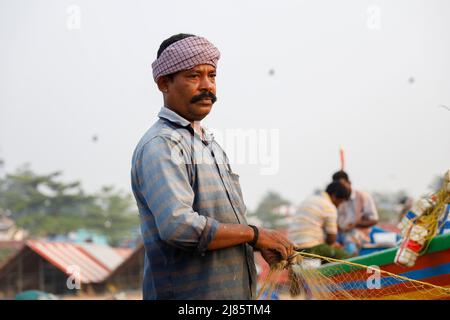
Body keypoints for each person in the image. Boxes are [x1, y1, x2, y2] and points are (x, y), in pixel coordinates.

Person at [130, 34, 294, 300]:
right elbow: (178, 227)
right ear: (164, 83)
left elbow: (222, 225)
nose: (207, 86)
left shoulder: (208, 144)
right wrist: (254, 235)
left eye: (212, 75)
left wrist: (254, 243)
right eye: (194, 76)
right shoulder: (162, 144)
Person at [287, 182, 352, 259]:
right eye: (341, 202)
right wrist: (333, 246)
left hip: (294, 248)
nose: (339, 205)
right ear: (334, 196)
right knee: (347, 257)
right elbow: (331, 239)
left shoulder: (310, 199)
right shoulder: (329, 206)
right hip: (310, 247)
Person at [332, 170, 379, 255]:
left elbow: (374, 220)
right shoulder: (336, 199)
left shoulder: (363, 197)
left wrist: (355, 224)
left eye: (342, 185)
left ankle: (350, 266)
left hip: (358, 233)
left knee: (350, 241)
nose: (340, 189)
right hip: (339, 233)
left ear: (349, 183)